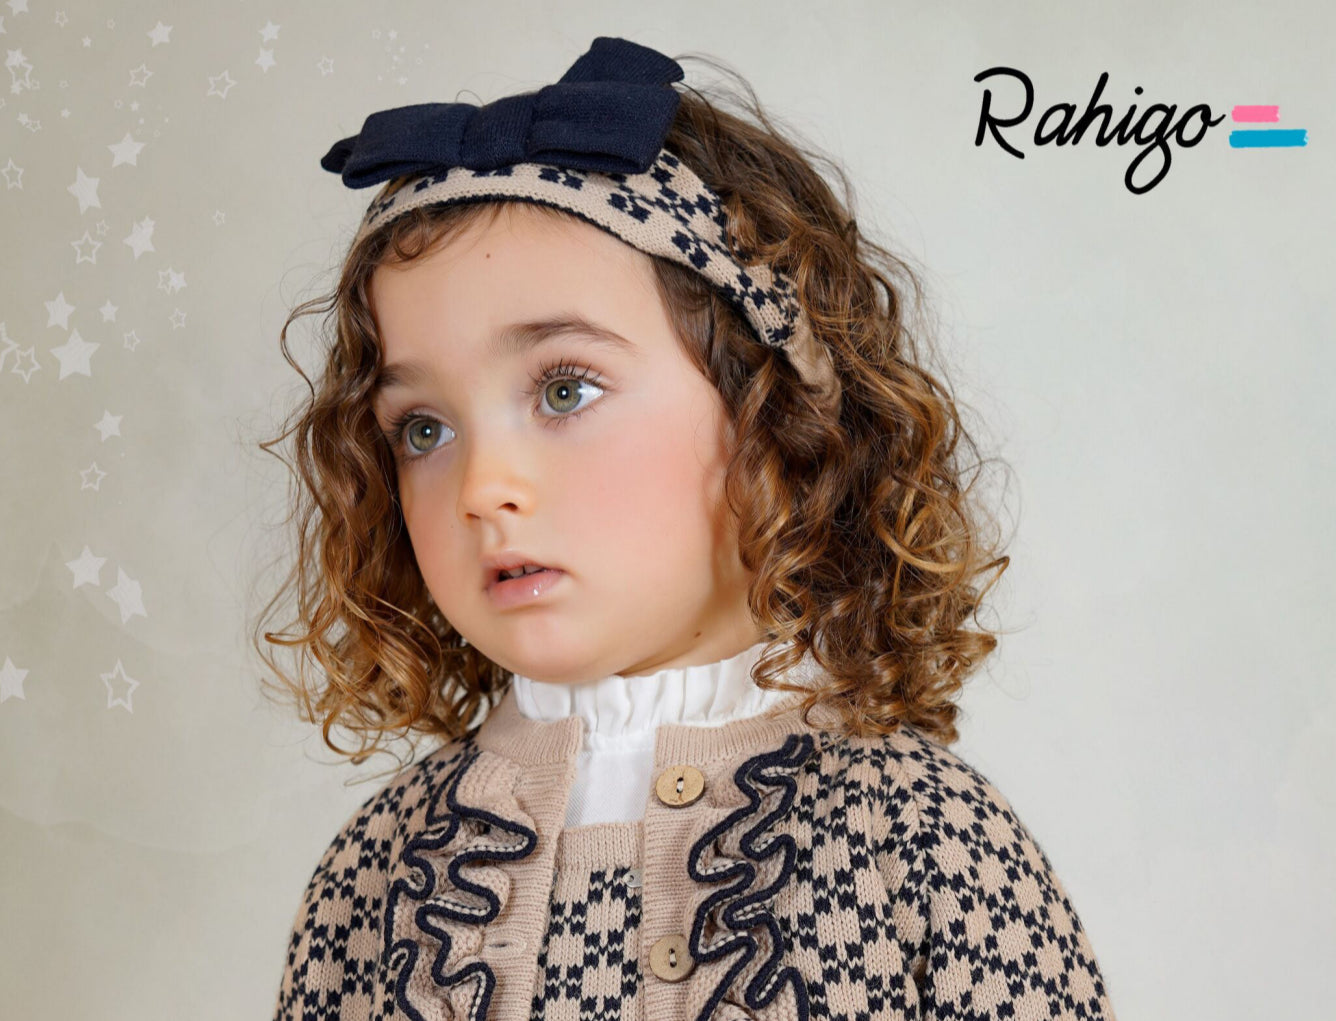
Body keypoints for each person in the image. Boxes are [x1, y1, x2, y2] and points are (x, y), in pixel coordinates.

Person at [255, 35, 1117, 1021]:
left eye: (565, 389)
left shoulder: (925, 840)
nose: (482, 488)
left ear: (775, 420)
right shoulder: (376, 873)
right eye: (424, 428)